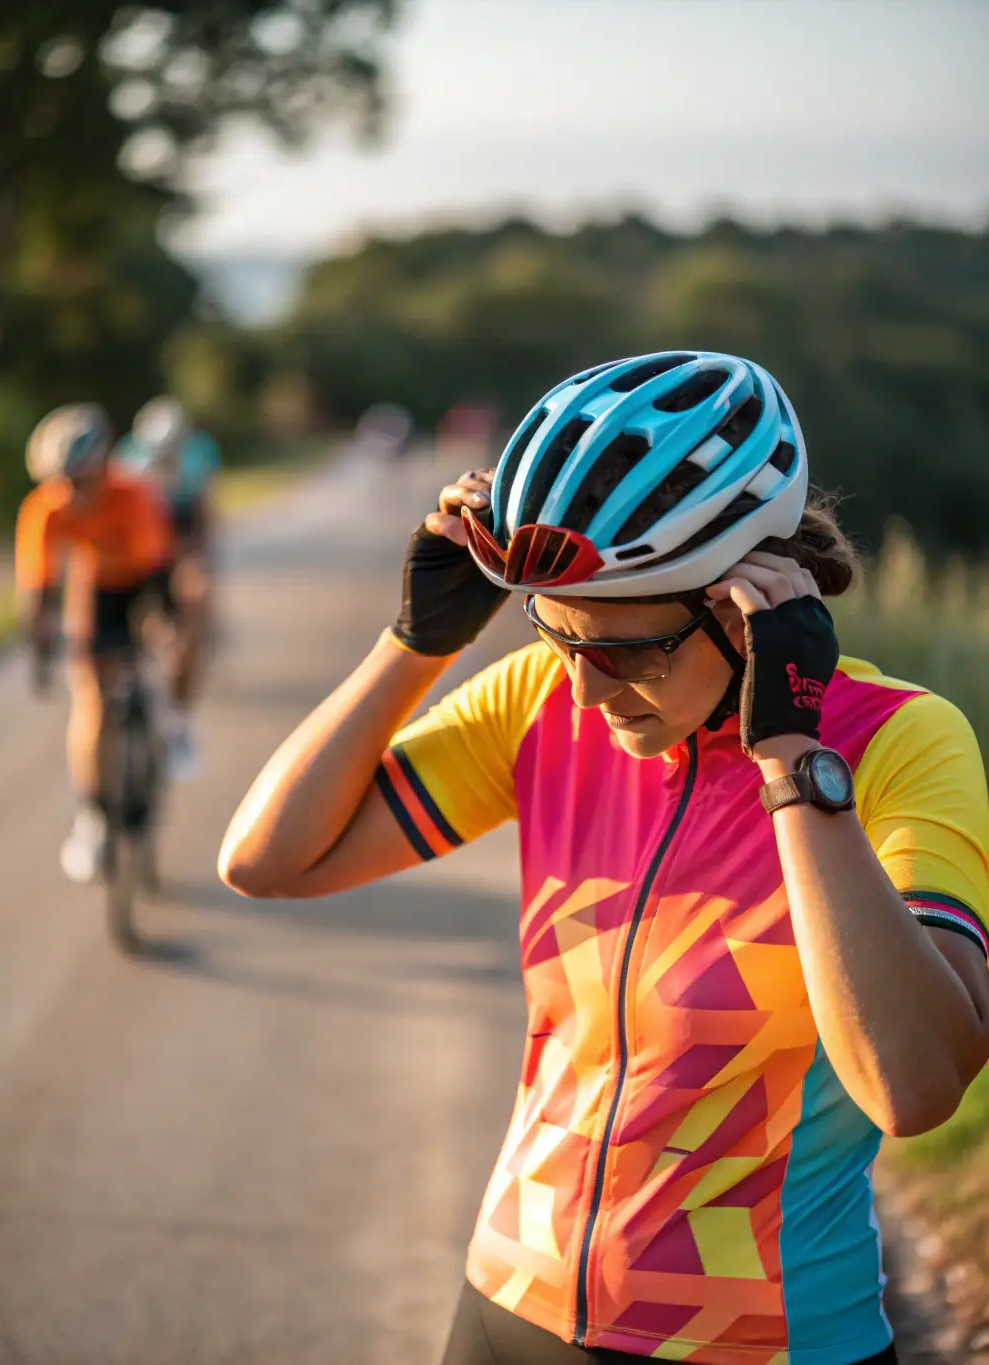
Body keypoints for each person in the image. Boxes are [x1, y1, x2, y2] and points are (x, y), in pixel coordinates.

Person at [218, 352, 989, 1365]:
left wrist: (792, 760)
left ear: (742, 605)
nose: (584, 690)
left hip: (764, 1343)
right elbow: (267, 859)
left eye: (624, 651)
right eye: (557, 635)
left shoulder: (899, 743)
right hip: (507, 1306)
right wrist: (414, 645)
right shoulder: (544, 700)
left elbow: (914, 1086)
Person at [17, 403, 174, 882]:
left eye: (80, 480)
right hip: (94, 588)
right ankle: (93, 814)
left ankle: (162, 730)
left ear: (103, 467)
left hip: (141, 582)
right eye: (62, 481)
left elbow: (156, 575)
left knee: (155, 648)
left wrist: (164, 627)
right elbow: (39, 587)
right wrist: (42, 650)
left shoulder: (133, 494)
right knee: (91, 700)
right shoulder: (45, 507)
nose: (71, 492)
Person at [115, 396, 221, 778]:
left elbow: (202, 521)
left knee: (189, 626)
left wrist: (200, 570)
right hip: (139, 555)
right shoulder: (127, 464)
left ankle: (179, 720)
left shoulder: (197, 460)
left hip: (179, 546)